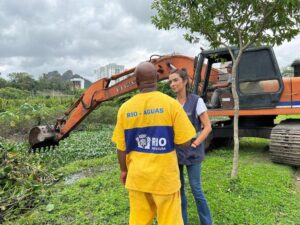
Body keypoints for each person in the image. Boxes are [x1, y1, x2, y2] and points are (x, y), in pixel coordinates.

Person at [112, 62, 196, 225]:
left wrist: (123, 171)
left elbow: (121, 147)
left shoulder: (125, 108)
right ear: (157, 78)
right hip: (165, 179)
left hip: (137, 179)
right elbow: (185, 141)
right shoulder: (171, 105)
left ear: (136, 82)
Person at [169, 68, 213, 225]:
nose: (172, 84)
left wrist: (195, 143)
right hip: (176, 153)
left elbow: (207, 127)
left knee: (196, 189)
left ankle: (207, 222)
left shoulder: (197, 101)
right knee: (178, 191)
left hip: (193, 151)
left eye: (175, 80)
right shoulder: (172, 104)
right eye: (170, 81)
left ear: (185, 81)